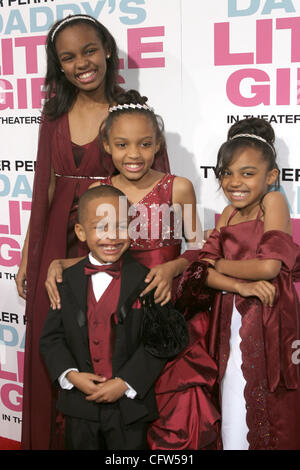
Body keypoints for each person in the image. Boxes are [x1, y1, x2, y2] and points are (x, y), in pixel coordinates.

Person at [16, 15, 170, 450]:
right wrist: (31, 256)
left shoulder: (130, 112)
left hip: (112, 239)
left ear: (107, 50)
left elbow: (153, 186)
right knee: (59, 339)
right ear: (58, 66)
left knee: (116, 340)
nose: (81, 62)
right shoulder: (54, 116)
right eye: (68, 57)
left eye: (88, 50)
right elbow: (44, 186)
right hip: (56, 238)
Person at [46, 90, 220, 449]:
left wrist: (173, 266)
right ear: (107, 146)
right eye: (122, 145)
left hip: (165, 304)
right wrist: (59, 263)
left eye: (144, 144)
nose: (133, 154)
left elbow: (201, 247)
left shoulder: (178, 187)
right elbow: (98, 253)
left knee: (171, 408)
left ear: (157, 145)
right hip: (116, 316)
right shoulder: (101, 189)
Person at [39, 184, 183, 450]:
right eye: (100, 227)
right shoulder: (65, 281)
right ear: (81, 232)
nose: (112, 237)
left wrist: (125, 382)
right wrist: (71, 375)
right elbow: (51, 339)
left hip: (129, 408)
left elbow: (163, 340)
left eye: (120, 226)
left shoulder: (149, 281)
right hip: (79, 408)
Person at [191, 117, 300, 450]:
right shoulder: (226, 214)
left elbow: (268, 266)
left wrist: (221, 266)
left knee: (268, 399)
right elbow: (201, 272)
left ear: (270, 177)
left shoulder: (273, 202)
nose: (234, 182)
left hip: (267, 317)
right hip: (232, 315)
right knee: (233, 398)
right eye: (227, 173)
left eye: (247, 173)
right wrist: (240, 285)